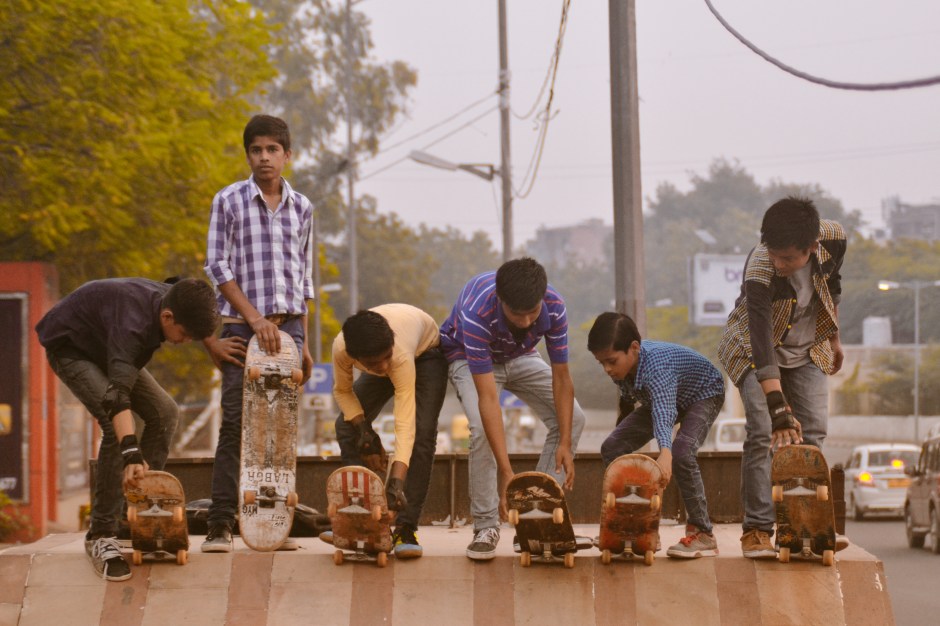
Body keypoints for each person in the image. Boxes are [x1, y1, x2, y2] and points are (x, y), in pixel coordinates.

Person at [36, 277, 219, 580]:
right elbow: (115, 397)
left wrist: (213, 340)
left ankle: (138, 512)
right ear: (167, 317)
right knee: (115, 425)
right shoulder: (132, 328)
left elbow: (179, 283)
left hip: (104, 341)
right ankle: (101, 534)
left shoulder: (172, 300)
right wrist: (132, 453)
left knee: (165, 412)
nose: (184, 342)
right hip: (72, 348)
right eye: (184, 335)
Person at [201, 114, 315, 552]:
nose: (264, 158)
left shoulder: (302, 207)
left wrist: (303, 344)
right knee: (237, 426)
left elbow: (302, 277)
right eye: (256, 150)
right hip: (243, 329)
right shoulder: (228, 201)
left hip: (290, 331)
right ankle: (220, 524)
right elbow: (217, 267)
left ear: (288, 155)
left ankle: (271, 524)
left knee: (278, 431)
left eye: (273, 150)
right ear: (247, 154)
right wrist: (255, 320)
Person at [717, 196, 846, 558]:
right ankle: (757, 529)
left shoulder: (834, 238)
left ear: (812, 247)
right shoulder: (760, 268)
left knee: (814, 431)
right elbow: (760, 341)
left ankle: (806, 524)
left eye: (788, 258)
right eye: (774, 254)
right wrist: (778, 407)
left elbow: (833, 286)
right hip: (752, 348)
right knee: (761, 431)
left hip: (807, 348)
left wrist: (835, 338)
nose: (779, 263)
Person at [439, 257, 585, 560]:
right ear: (500, 300)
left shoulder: (555, 305)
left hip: (520, 356)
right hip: (467, 357)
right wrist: (507, 474)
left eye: (533, 312)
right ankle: (486, 526)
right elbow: (489, 399)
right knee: (481, 427)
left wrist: (566, 443)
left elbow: (562, 376)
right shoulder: (478, 311)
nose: (527, 321)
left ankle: (536, 516)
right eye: (518, 314)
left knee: (574, 418)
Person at [588, 312, 725, 558]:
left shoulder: (656, 366)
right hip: (668, 399)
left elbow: (664, 411)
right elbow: (630, 401)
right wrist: (623, 431)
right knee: (612, 447)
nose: (607, 369)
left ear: (634, 348)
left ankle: (703, 533)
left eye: (611, 361)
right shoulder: (624, 368)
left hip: (704, 393)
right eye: (601, 364)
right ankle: (635, 525)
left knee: (682, 453)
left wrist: (665, 452)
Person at [329, 305, 448, 558]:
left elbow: (405, 423)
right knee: (346, 427)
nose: (383, 367)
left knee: (423, 434)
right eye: (374, 363)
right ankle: (358, 514)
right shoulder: (342, 348)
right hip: (385, 351)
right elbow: (342, 391)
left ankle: (405, 527)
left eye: (386, 357)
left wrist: (396, 483)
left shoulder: (398, 355)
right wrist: (365, 433)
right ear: (355, 357)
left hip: (425, 355)